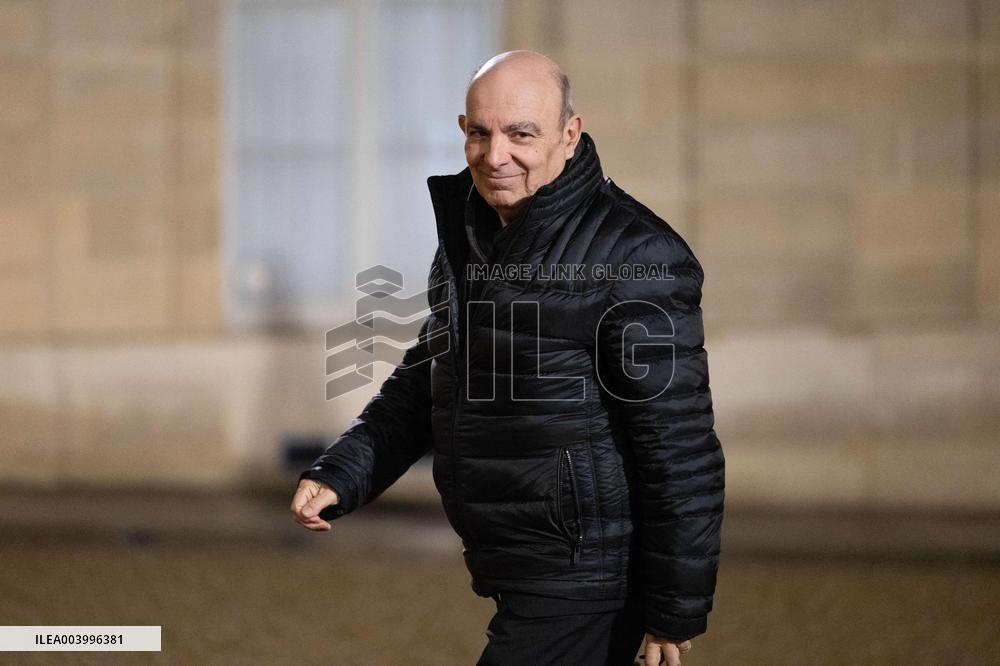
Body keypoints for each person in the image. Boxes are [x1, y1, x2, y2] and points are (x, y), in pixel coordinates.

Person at [291, 50, 725, 666]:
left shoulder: (637, 255)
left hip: (586, 571)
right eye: (480, 132)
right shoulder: (474, 233)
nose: (496, 156)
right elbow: (427, 378)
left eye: (522, 133)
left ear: (569, 135)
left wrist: (674, 609)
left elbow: (679, 448)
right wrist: (344, 470)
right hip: (522, 559)